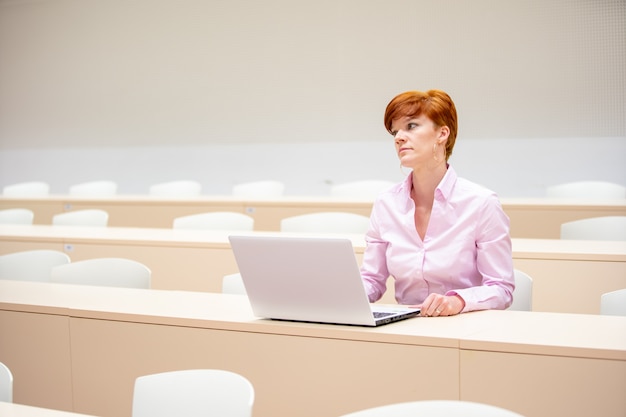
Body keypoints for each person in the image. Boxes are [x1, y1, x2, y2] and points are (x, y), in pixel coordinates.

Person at [360, 89, 514, 316]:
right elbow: (372, 279)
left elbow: (502, 289)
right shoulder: (386, 204)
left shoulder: (481, 203)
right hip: (405, 327)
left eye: (411, 126)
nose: (399, 137)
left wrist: (459, 302)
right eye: (395, 131)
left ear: (442, 134)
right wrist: (341, 296)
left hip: (465, 328)